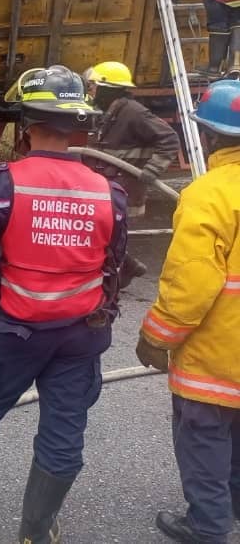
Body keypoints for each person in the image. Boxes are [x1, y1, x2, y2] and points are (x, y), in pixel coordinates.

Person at [0, 65, 127, 544]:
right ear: (76, 127)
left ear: (27, 125)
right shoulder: (108, 191)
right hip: (79, 334)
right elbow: (115, 265)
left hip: (12, 331)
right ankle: (35, 531)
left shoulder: (2, 183)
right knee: (63, 431)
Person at [137, 78, 240, 544]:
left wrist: (157, 337)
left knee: (204, 439)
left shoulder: (210, 193)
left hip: (218, 356)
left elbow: (191, 282)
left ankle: (209, 527)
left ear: (209, 135)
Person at [83, 60, 180, 219]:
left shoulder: (134, 113)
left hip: (124, 196)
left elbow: (169, 139)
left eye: (93, 86)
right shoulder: (106, 112)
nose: (91, 91)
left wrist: (152, 170)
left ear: (106, 89)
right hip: (105, 194)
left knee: (116, 239)